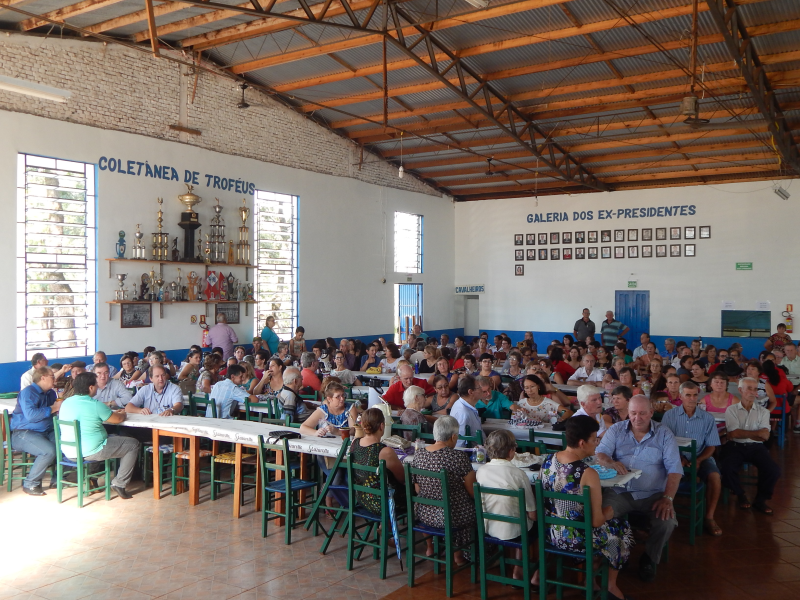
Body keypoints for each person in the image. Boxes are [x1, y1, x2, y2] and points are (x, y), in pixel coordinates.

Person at [540, 416, 633, 599]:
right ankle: (610, 585)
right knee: (622, 528)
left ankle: (591, 579)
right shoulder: (587, 473)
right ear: (582, 443)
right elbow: (597, 521)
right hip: (577, 539)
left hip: (552, 533)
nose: (597, 444)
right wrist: (608, 512)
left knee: (609, 526)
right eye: (594, 440)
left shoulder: (548, 461)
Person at [596, 395, 682, 583]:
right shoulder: (617, 430)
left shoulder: (664, 434)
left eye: (643, 413)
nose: (637, 418)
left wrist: (668, 498)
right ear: (628, 413)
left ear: (651, 413)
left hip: (653, 494)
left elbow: (675, 470)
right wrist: (610, 461)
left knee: (667, 522)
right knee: (600, 516)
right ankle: (615, 553)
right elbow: (600, 453)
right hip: (620, 492)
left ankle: (650, 558)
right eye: (633, 413)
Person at [57, 372, 140, 499]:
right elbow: (117, 420)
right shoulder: (95, 405)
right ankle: (120, 483)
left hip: (69, 451)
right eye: (96, 385)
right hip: (91, 450)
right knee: (133, 444)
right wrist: (123, 414)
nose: (97, 387)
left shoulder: (65, 403)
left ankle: (92, 480)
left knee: (107, 439)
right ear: (90, 387)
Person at [411, 416, 476, 565]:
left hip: (424, 513)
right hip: (452, 516)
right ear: (453, 437)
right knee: (470, 509)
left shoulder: (419, 455)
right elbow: (472, 491)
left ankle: (430, 547)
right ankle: (459, 555)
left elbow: (417, 488)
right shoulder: (458, 457)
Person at [662, 381, 723, 536]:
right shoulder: (670, 416)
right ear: (681, 396)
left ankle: (709, 517)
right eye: (688, 395)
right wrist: (679, 457)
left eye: (695, 395)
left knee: (715, 476)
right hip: (675, 456)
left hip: (700, 456)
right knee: (657, 472)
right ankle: (665, 513)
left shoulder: (707, 418)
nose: (691, 398)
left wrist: (699, 460)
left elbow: (711, 446)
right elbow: (664, 442)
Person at [477, 430, 538, 585]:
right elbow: (532, 514)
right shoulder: (518, 474)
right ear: (512, 451)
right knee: (536, 527)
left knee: (519, 519)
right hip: (515, 530)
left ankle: (517, 570)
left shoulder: (481, 471)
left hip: (489, 527)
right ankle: (536, 575)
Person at [720, 377, 781, 514]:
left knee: (773, 470)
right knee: (727, 468)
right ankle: (740, 494)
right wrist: (756, 433)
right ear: (740, 390)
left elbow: (765, 436)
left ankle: (760, 500)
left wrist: (743, 433)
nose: (753, 392)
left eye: (755, 389)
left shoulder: (763, 412)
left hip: (756, 447)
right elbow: (733, 435)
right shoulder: (732, 410)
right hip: (735, 446)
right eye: (749, 388)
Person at [10, 367, 62, 495]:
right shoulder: (28, 392)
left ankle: (57, 478)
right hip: (23, 433)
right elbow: (31, 415)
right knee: (48, 451)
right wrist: (53, 407)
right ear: (43, 377)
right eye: (52, 376)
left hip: (47, 430)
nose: (55, 379)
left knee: (65, 445)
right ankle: (30, 483)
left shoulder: (50, 393)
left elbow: (54, 412)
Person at [349, 407, 406, 513]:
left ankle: (384, 525)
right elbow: (403, 479)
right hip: (383, 503)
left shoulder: (354, 443)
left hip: (361, 499)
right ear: (382, 426)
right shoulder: (385, 451)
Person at [450, 375, 485, 446]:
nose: (482, 389)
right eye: (479, 387)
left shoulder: (465, 404)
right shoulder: (463, 413)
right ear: (471, 392)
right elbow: (460, 442)